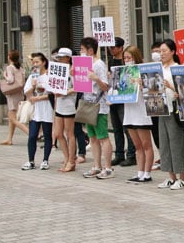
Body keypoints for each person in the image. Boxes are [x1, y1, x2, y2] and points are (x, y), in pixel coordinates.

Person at [80, 37, 114, 180]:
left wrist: (96, 78)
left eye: (82, 50)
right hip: (88, 103)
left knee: (103, 137)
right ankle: (96, 165)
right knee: (93, 137)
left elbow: (106, 86)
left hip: (99, 105)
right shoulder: (83, 64)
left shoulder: (99, 64)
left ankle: (108, 167)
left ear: (90, 50)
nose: (80, 52)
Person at [155, 39, 184, 189]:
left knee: (176, 143)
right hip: (161, 109)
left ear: (173, 52)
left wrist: (172, 87)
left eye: (164, 51)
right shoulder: (158, 69)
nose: (161, 54)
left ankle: (182, 177)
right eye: (160, 51)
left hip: (174, 110)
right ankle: (171, 176)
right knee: (164, 144)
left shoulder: (177, 68)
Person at [121, 46, 155, 184]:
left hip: (141, 112)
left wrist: (142, 85)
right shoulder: (123, 73)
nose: (127, 61)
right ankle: (139, 172)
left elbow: (153, 91)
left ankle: (147, 173)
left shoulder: (143, 72)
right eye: (125, 58)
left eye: (129, 58)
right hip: (129, 112)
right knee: (137, 145)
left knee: (146, 144)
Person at [21, 52, 54, 171]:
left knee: (47, 134)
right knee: (32, 135)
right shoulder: (32, 76)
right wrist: (33, 86)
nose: (35, 64)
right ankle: (31, 160)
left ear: (44, 62)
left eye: (37, 62)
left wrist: (39, 97)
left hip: (47, 108)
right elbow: (27, 93)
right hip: (35, 110)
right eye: (33, 62)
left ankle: (45, 160)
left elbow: (52, 94)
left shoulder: (50, 75)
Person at [108, 36, 137, 167]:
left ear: (120, 48)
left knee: (127, 128)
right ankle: (119, 154)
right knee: (116, 128)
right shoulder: (110, 61)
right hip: (113, 97)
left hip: (124, 99)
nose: (111, 50)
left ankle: (131, 155)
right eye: (110, 47)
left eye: (113, 47)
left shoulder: (126, 64)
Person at [51, 48, 78, 173]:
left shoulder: (73, 71)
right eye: (59, 57)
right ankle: (66, 158)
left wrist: (64, 92)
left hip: (69, 104)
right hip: (59, 105)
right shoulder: (58, 70)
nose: (60, 59)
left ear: (68, 58)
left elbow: (77, 87)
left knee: (69, 133)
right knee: (58, 133)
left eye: (62, 57)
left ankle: (72, 160)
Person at [0, 50, 29, 145]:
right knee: (12, 117)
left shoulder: (9, 67)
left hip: (12, 94)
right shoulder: (20, 68)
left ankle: (31, 134)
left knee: (13, 118)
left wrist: (5, 76)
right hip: (19, 93)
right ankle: (9, 138)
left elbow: (11, 80)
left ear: (9, 57)